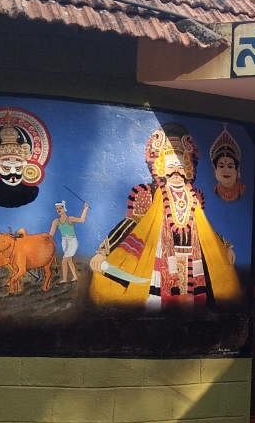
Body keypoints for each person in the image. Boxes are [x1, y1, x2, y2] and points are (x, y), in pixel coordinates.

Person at [90, 123, 241, 311]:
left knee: (192, 307)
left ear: (188, 166)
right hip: (160, 261)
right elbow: (131, 223)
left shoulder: (194, 196)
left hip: (192, 261)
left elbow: (206, 229)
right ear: (160, 166)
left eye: (180, 165)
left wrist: (227, 246)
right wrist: (103, 250)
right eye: (170, 165)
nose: (176, 171)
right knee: (158, 307)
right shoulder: (149, 194)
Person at [49, 199, 89, 283]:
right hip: (64, 242)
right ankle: (75, 277)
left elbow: (82, 220)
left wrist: (85, 208)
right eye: (57, 209)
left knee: (64, 261)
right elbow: (50, 235)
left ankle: (64, 279)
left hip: (72, 242)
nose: (58, 210)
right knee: (69, 260)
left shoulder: (70, 219)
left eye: (60, 208)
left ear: (64, 209)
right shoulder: (56, 221)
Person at [209, 125, 246, 202]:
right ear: (215, 170)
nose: (226, 170)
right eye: (221, 166)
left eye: (230, 166)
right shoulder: (215, 190)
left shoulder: (241, 189)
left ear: (237, 170)